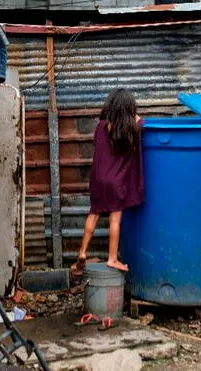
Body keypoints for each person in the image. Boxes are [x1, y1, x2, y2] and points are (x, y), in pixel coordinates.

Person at [72, 88, 144, 273]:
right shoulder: (133, 128)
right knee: (115, 220)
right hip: (117, 182)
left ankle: (82, 252)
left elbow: (98, 143)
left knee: (93, 214)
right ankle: (112, 258)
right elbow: (139, 120)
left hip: (98, 180)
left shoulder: (101, 127)